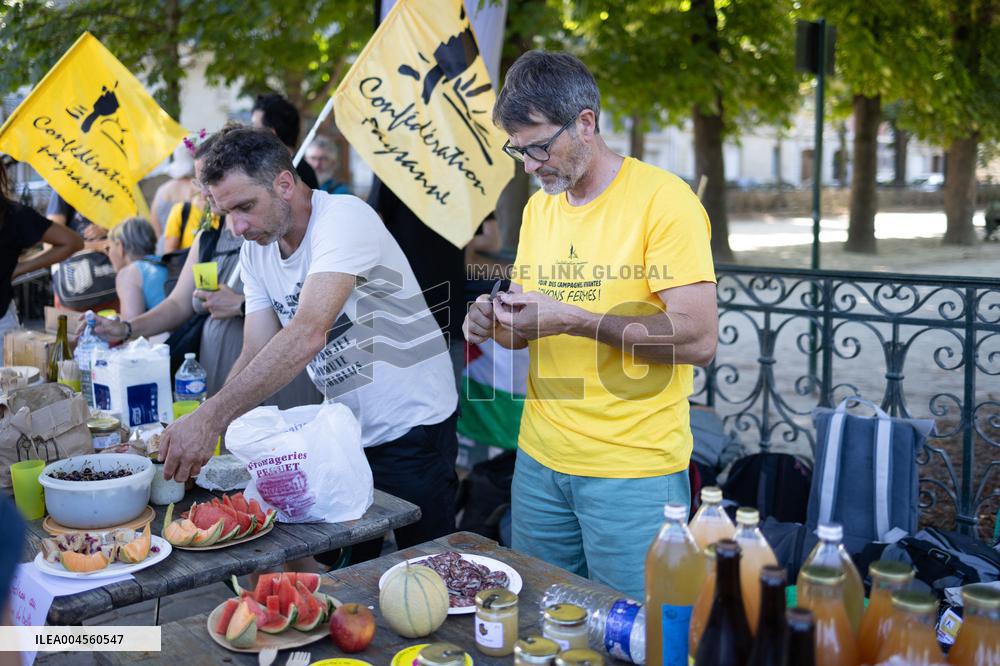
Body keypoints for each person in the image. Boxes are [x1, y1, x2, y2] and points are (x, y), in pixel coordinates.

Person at [463, 50, 718, 600]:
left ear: (585, 123)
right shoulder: (540, 209)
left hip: (633, 471)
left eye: (537, 146)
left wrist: (575, 319)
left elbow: (698, 338)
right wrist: (492, 321)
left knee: (636, 634)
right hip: (538, 460)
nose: (528, 165)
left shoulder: (664, 200)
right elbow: (524, 330)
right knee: (540, 625)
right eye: (518, 149)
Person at [157, 128, 458, 562]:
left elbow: (307, 333)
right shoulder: (256, 250)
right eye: (226, 213)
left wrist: (208, 420)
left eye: (245, 207)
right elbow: (255, 349)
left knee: (430, 565)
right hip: (343, 433)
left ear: (284, 183)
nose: (237, 227)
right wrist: (212, 425)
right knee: (349, 570)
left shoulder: (342, 218)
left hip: (412, 426)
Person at [82, 133, 321, 406]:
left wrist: (239, 305)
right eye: (200, 181)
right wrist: (125, 328)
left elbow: (308, 313)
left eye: (211, 180)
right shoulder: (208, 237)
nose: (205, 191)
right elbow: (177, 305)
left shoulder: (270, 230)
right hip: (219, 369)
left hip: (279, 378)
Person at [0, 167, 83, 358]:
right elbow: (72, 242)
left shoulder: (15, 215)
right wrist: (18, 268)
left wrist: (19, 268)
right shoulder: (15, 214)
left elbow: (72, 243)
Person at [251, 93, 320, 189]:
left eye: (254, 126)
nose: (251, 133)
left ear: (270, 133)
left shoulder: (300, 172)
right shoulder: (266, 169)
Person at [105, 217, 168, 321]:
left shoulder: (129, 273)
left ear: (120, 246)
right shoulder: (164, 262)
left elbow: (131, 328)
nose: (108, 254)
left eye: (108, 248)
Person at [149, 142, 197, 240]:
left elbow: (155, 227)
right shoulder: (197, 188)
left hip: (165, 249)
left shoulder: (161, 190)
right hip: (192, 245)